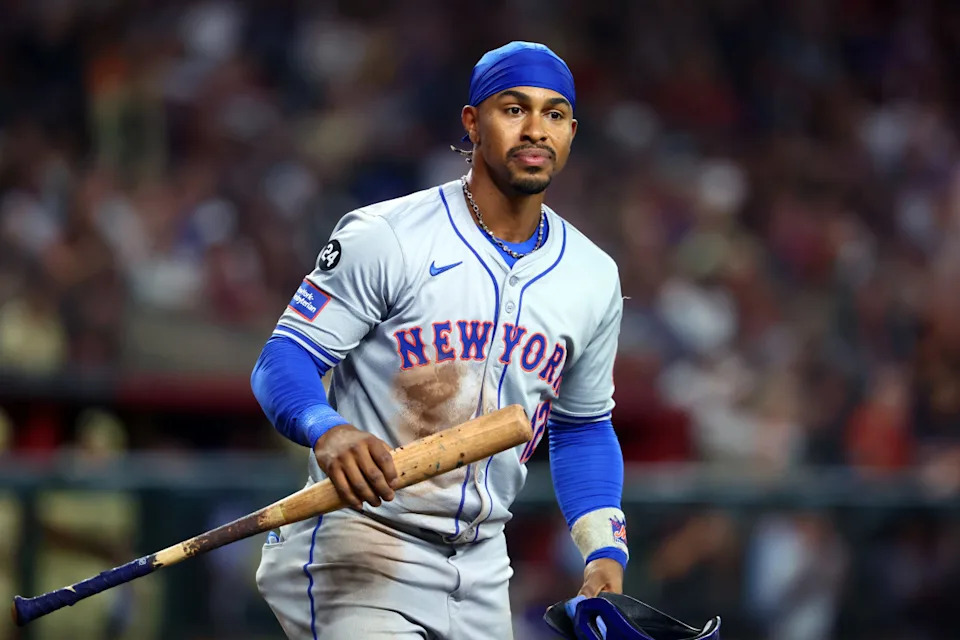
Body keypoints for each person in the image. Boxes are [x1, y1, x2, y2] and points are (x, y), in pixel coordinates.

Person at [251, 41, 628, 640]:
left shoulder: (592, 275)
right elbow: (283, 359)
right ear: (473, 123)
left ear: (572, 132)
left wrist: (604, 548)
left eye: (554, 115)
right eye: (514, 109)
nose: (536, 129)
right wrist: (328, 427)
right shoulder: (388, 236)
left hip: (481, 565)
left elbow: (582, 425)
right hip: (363, 542)